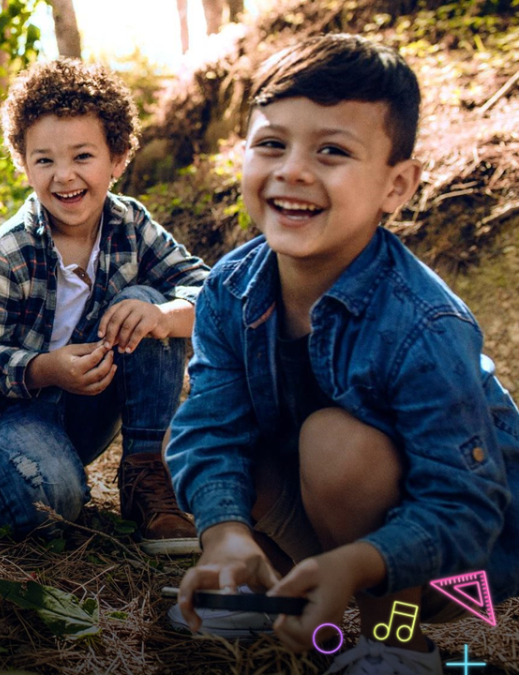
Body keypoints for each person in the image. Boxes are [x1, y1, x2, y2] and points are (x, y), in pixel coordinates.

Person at [167, 35, 519, 674]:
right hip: (329, 519)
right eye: (272, 143)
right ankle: (274, 600)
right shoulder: (228, 289)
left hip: (457, 565)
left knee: (334, 442)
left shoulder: (424, 323)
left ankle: (396, 641)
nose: (293, 170)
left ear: (397, 186)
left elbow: (465, 509)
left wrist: (354, 564)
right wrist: (225, 534)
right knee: (241, 453)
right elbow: (210, 428)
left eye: (331, 151)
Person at [0, 59, 210, 553]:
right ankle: (21, 483)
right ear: (24, 164)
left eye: (83, 156)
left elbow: (211, 291)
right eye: (44, 160)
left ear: (118, 158)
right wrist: (44, 369)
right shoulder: (7, 250)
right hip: (0, 419)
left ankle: (145, 475)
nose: (64, 176)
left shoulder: (131, 224)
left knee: (146, 303)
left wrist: (166, 316)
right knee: (53, 506)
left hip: (85, 410)